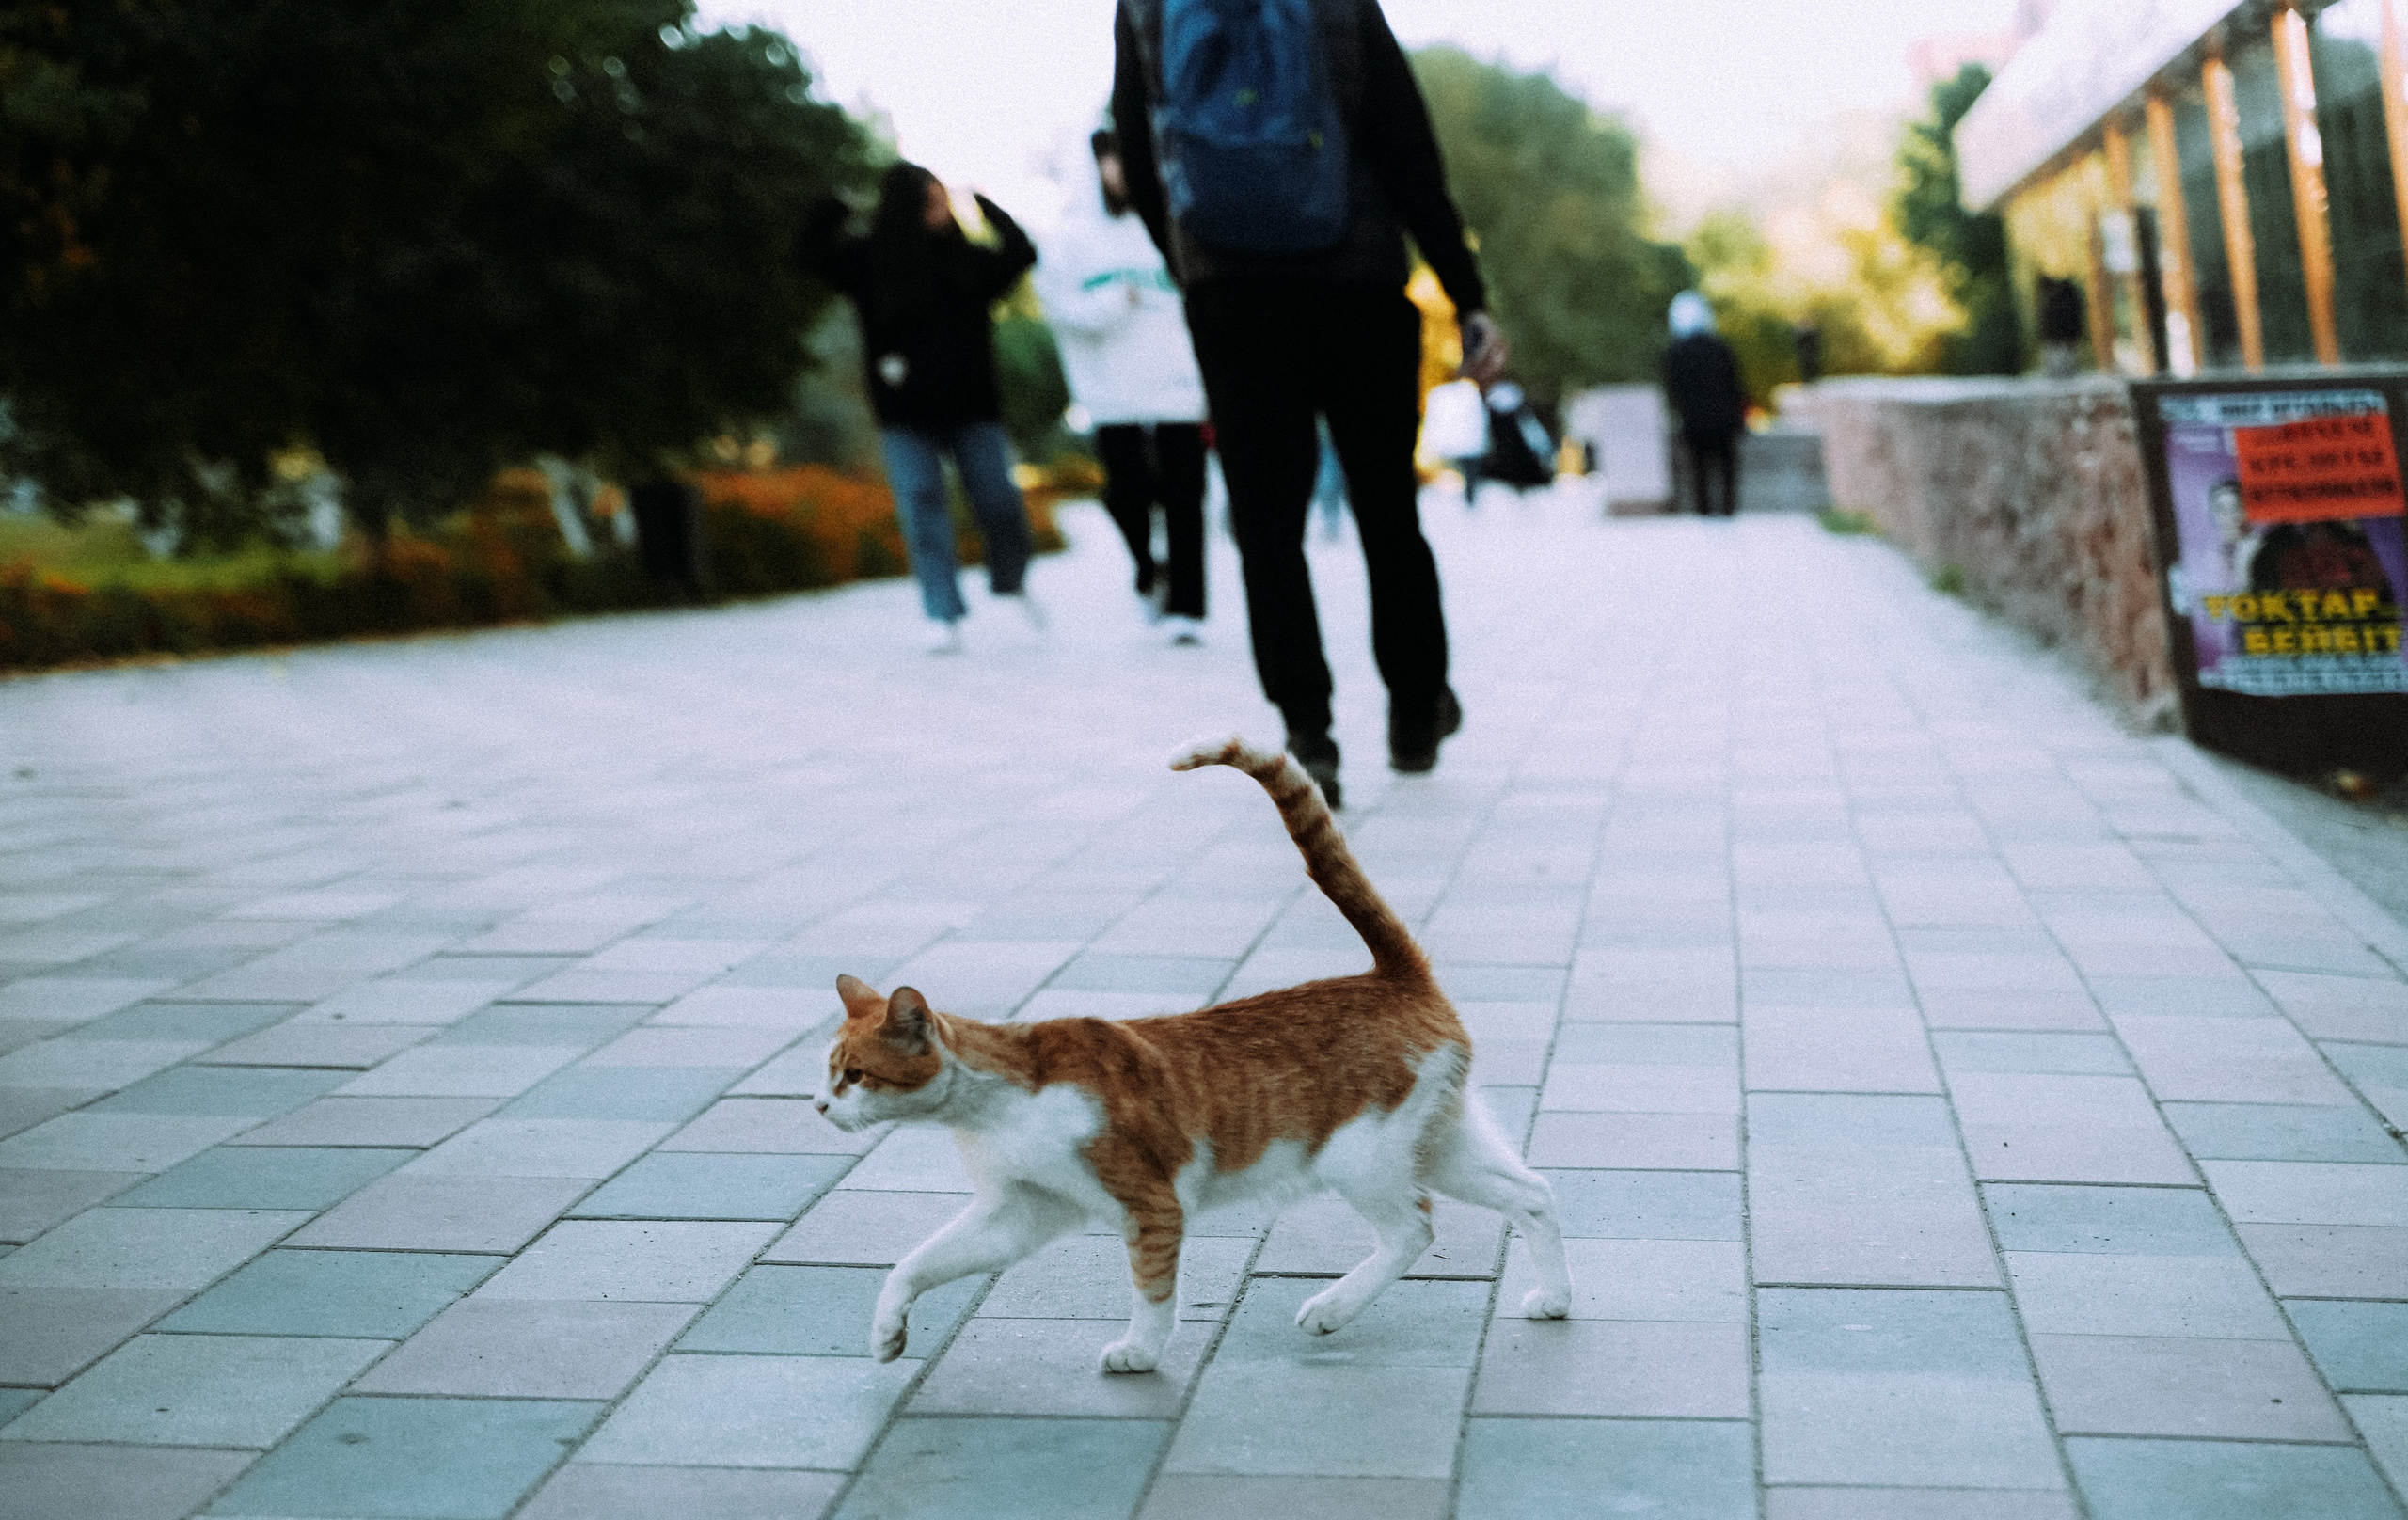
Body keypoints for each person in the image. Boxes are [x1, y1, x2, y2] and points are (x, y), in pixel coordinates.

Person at [1113, 0, 1507, 807]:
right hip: (1356, 279)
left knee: (1266, 522)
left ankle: (1308, 730)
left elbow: (1140, 145)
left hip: (1231, 294)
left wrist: (1191, 261)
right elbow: (1406, 146)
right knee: (1386, 507)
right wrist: (1466, 294)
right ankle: (1415, 706)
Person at [799, 163, 1044, 654]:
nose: (941, 210)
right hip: (904, 413)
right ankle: (942, 612)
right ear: (906, 206)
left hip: (975, 410)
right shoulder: (870, 263)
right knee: (922, 502)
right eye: (929, 200)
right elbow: (809, 253)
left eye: (943, 199)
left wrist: (984, 205)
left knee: (999, 499)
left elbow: (1021, 253)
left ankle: (1010, 576)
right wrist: (838, 207)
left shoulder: (968, 261)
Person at [1038, 129, 1211, 645]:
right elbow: (1060, 310)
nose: (1122, 173)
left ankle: (1188, 606)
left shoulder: (1167, 228)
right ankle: (1145, 566)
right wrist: (1115, 302)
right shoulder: (1068, 239)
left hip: (1177, 386)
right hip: (1112, 392)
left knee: (1186, 497)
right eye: (1111, 163)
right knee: (1126, 494)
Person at [1661, 291, 1746, 518]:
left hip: (1695, 422)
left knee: (1700, 470)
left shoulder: (1676, 353)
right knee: (1727, 468)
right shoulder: (1721, 348)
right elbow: (1735, 386)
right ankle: (1728, 509)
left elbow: (1675, 391)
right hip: (1724, 420)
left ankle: (1704, 511)